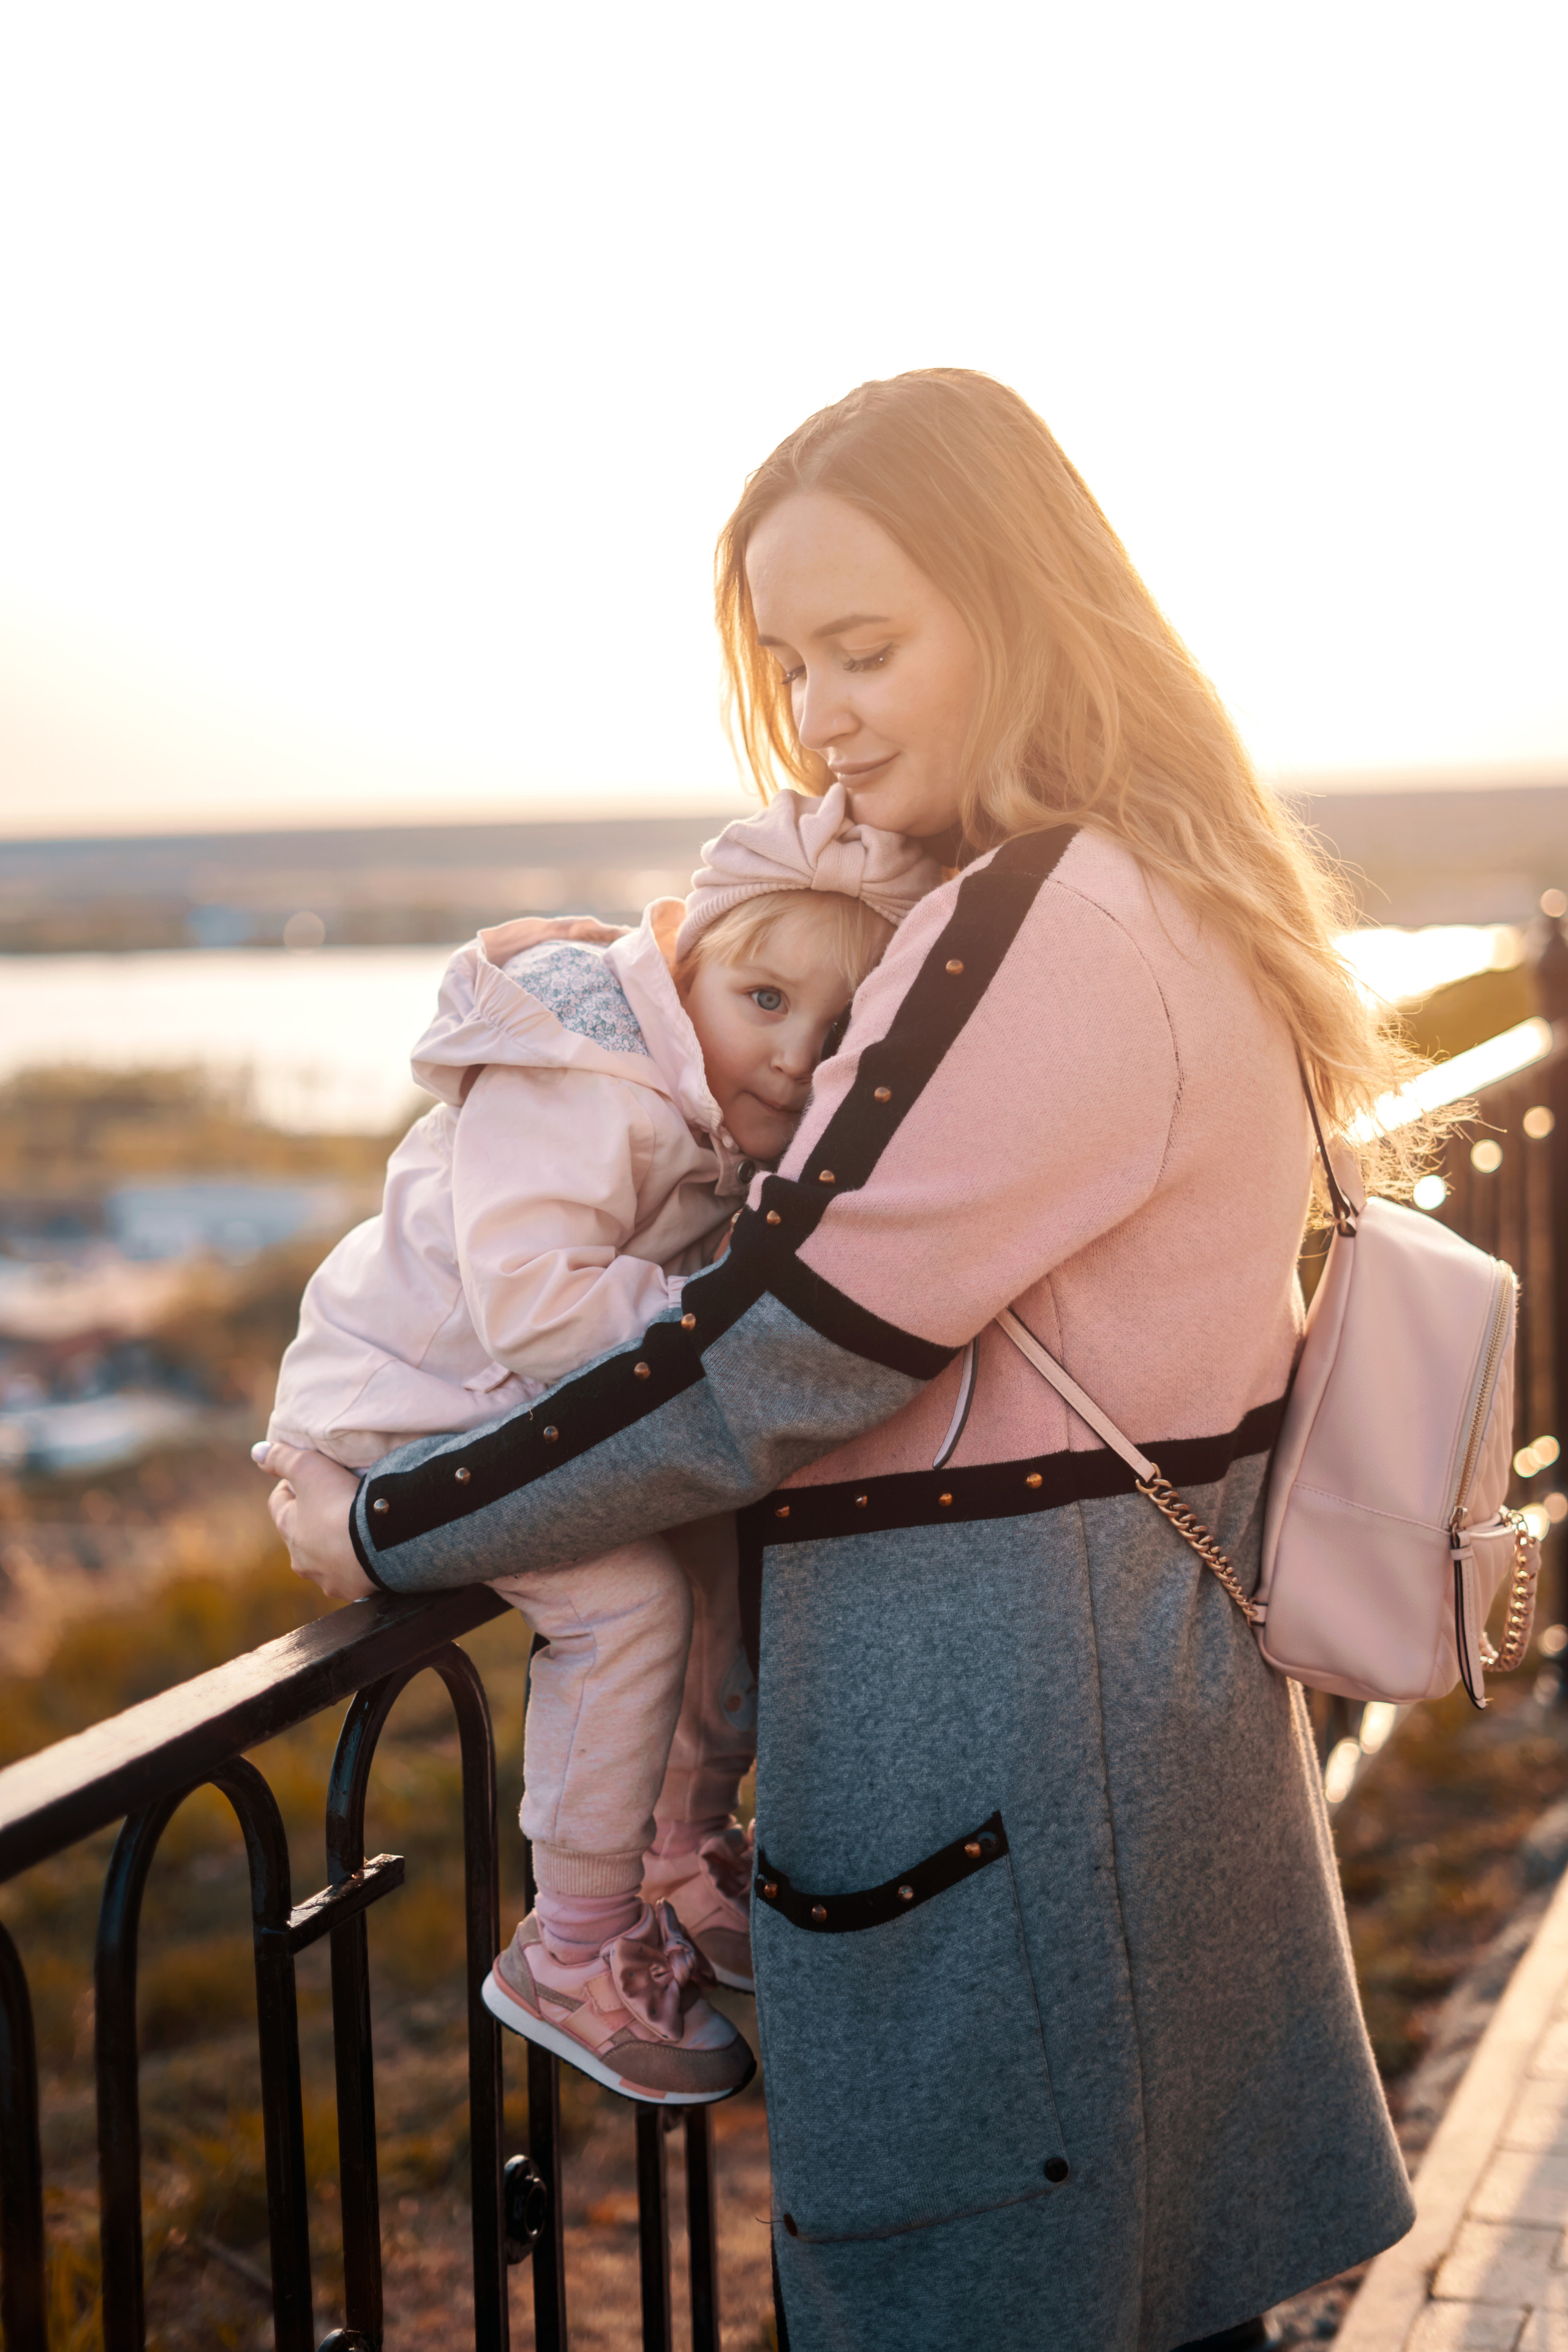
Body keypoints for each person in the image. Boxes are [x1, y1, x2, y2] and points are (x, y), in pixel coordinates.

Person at [264, 369, 1422, 2351]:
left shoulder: (1045, 922)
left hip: (1007, 1773)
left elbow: (763, 1358)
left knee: (996, 2291)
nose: (819, 716)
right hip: (1116, 1750)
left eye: (866, 649)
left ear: (1029, 614)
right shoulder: (1162, 885)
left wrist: (390, 1519)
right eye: (791, 664)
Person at [258, 785, 937, 2103]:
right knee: (623, 1609)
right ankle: (568, 1947)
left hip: (515, 1401)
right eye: (762, 999)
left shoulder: (695, 1096)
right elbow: (531, 1295)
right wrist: (725, 1320)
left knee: (717, 1547)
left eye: (839, 1027)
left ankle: (680, 1848)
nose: (798, 1055)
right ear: (683, 959)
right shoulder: (584, 1082)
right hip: (409, 1412)